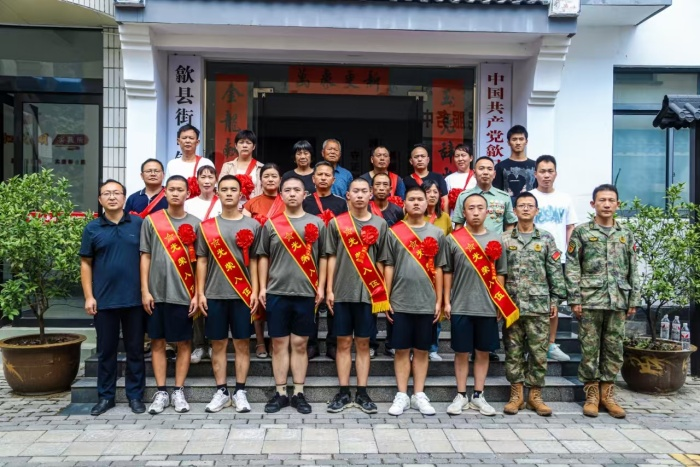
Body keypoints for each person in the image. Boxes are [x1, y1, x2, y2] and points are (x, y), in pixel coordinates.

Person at [565, 184, 640, 419]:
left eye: (611, 200)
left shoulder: (625, 234)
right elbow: (573, 266)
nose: (606, 204)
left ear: (618, 204)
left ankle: (608, 394)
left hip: (618, 299)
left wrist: (633, 299)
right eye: (602, 200)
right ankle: (591, 395)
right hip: (590, 300)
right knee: (589, 349)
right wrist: (574, 298)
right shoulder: (581, 232)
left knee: (614, 348)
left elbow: (633, 267)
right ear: (593, 204)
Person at [256, 175, 327, 414]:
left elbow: (324, 256)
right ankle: (280, 393)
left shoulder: (317, 223)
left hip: (306, 292)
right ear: (281, 195)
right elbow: (263, 256)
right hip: (277, 291)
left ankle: (298, 392)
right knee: (278, 344)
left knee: (300, 343)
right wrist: (263, 287)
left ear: (305, 194)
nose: (293, 193)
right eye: (288, 190)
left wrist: (321, 286)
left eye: (297, 189)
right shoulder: (271, 224)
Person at [80, 179, 145, 416]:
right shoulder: (92, 228)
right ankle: (106, 397)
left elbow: (147, 258)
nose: (112, 197)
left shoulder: (138, 224)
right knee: (106, 351)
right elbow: (86, 263)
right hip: (104, 301)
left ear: (124, 198)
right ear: (100, 199)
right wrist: (89, 296)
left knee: (135, 350)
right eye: (106, 193)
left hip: (135, 300)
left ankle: (135, 396)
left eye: (116, 193)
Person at [196, 175, 261, 413]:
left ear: (241, 194)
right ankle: (222, 391)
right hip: (215, 293)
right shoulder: (207, 227)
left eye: (234, 189)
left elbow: (256, 261)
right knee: (218, 344)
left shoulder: (253, 225)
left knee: (242, 344)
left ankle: (240, 391)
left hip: (243, 295)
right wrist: (200, 292)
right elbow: (202, 261)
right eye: (224, 189)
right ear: (218, 193)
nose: (229, 193)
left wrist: (255, 290)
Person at [325, 178, 388, 414]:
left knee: (363, 343)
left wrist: (384, 292)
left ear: (371, 194)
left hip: (368, 293)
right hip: (342, 292)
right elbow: (330, 256)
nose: (360, 195)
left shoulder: (380, 224)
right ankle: (343, 392)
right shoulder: (336, 223)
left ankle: (362, 392)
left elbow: (383, 260)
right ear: (348, 195)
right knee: (342, 343)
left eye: (364, 191)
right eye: (355, 191)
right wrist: (329, 289)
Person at [443, 193, 509, 417]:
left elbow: (501, 273)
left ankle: (479, 395)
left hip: (487, 306)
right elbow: (447, 272)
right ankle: (461, 394)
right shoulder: (453, 239)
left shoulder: (496, 239)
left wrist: (499, 301)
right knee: (461, 352)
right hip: (461, 304)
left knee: (483, 352)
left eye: (480, 208)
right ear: (463, 212)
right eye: (471, 208)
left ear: (487, 211)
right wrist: (446, 300)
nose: (476, 212)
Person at [502, 192, 566, 417]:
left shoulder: (546, 238)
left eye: (530, 205)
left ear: (537, 211)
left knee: (538, 353)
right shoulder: (505, 239)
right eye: (521, 205)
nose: (526, 209)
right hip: (512, 306)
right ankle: (516, 395)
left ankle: (535, 396)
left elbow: (554, 271)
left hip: (539, 306)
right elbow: (498, 273)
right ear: (515, 211)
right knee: (513, 352)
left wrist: (556, 299)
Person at [140, 175, 200, 414]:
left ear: (188, 193)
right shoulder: (152, 221)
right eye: (172, 189)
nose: (176, 193)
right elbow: (145, 256)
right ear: (165, 192)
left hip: (184, 293)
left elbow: (200, 263)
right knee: (157, 341)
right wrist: (145, 290)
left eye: (180, 190)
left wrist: (197, 293)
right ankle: (161, 391)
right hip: (156, 294)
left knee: (184, 342)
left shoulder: (196, 224)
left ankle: (178, 390)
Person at [385, 186, 446, 417]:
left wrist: (439, 300)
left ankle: (419, 393)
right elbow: (388, 265)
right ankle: (402, 394)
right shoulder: (394, 232)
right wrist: (386, 297)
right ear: (404, 204)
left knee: (422, 349)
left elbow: (440, 268)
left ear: (427, 203)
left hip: (426, 301)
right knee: (401, 349)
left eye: (420, 199)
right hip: (400, 300)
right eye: (412, 199)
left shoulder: (437, 233)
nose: (417, 202)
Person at [530, 155, 580, 362]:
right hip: (531, 258)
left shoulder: (564, 198)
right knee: (530, 301)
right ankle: (530, 344)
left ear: (556, 174)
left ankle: (550, 344)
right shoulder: (529, 197)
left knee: (554, 303)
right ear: (535, 174)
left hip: (557, 259)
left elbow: (570, 228)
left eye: (550, 171)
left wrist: (571, 256)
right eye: (542, 171)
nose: (546, 175)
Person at [303, 161, 348, 360]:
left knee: (333, 300)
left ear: (333, 179)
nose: (323, 178)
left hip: (334, 256)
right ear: (313, 179)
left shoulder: (341, 203)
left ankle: (332, 343)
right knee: (311, 299)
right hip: (309, 256)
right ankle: (311, 343)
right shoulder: (305, 202)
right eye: (319, 174)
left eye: (327, 175)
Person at [243, 163, 284, 358]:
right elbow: (244, 230)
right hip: (257, 256)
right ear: (260, 180)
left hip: (281, 257)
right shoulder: (251, 204)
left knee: (276, 299)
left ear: (280, 179)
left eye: (274, 176)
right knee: (258, 297)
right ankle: (260, 341)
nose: (270, 179)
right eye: (266, 176)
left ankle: (276, 339)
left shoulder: (287, 201)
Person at [185, 165, 223, 365]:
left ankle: (214, 343)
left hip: (220, 259)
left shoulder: (223, 202)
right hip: (195, 257)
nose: (207, 180)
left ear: (216, 179)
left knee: (214, 301)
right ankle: (199, 344)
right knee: (197, 297)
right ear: (197, 180)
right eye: (203, 177)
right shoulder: (188, 204)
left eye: (210, 176)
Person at [368, 172, 405, 358]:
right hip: (369, 262)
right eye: (378, 185)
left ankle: (392, 343)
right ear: (371, 189)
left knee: (392, 301)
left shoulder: (397, 211)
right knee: (372, 302)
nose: (381, 188)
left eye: (385, 185)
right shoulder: (366, 208)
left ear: (391, 189)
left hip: (392, 261)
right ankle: (371, 343)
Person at [417, 180, 452, 362]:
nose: (431, 195)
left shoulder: (444, 218)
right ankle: (415, 346)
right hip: (418, 269)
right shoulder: (412, 216)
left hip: (438, 268)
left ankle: (433, 347)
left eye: (435, 192)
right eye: (428, 191)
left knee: (436, 309)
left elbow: (449, 242)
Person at [452, 156, 517, 233]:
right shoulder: (464, 196)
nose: (485, 172)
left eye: (489, 169)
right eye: (481, 168)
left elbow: (509, 224)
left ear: (494, 174)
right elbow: (459, 225)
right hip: (472, 240)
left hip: (497, 240)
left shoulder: (504, 197)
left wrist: (508, 239)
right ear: (474, 173)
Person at [493, 125, 537, 203]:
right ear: (508, 142)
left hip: (531, 207)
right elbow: (496, 192)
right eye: (514, 139)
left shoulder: (535, 166)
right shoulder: (500, 167)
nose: (518, 143)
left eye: (521, 139)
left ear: (526, 142)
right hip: (507, 208)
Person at [219, 129, 264, 203]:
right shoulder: (227, 166)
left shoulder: (261, 167)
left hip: (254, 206)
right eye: (241, 142)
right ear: (236, 146)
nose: (244, 146)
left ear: (254, 147)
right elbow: (221, 187)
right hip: (231, 206)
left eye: (248, 143)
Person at [165, 124, 215, 190]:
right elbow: (167, 188)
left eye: (191, 138)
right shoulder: (172, 164)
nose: (187, 141)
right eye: (184, 138)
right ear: (178, 141)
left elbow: (213, 187)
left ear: (197, 142)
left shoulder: (206, 163)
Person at [403, 144, 448, 212]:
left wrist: (446, 217)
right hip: (415, 216)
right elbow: (404, 203)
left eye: (423, 156)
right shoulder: (406, 180)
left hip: (435, 216)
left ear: (428, 160)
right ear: (411, 161)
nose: (420, 159)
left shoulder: (438, 177)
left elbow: (445, 200)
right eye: (416, 157)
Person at [445, 144, 476, 216]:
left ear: (471, 158)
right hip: (453, 219)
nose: (460, 159)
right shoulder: (448, 179)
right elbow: (445, 203)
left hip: (473, 219)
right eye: (457, 156)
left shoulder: (476, 177)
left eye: (463, 155)